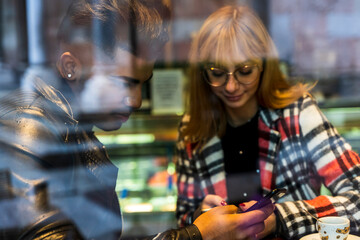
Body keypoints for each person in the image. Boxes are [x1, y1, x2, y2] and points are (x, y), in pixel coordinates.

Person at [0, 1, 274, 239]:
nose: (135, 101)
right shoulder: (28, 127)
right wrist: (195, 236)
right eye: (123, 83)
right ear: (71, 67)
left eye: (140, 85)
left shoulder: (69, 128)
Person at [175, 4, 360, 240]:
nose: (231, 86)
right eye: (218, 73)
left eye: (244, 71)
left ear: (264, 66)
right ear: (202, 73)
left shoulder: (297, 114)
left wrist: (281, 218)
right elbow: (183, 218)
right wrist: (202, 219)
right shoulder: (193, 129)